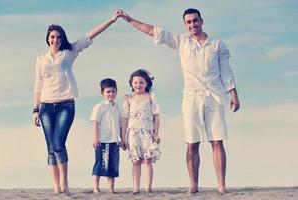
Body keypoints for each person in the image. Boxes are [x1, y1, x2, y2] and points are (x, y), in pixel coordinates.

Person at [120, 8, 240, 194]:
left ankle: (221, 185)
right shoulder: (182, 41)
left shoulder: (217, 45)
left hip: (215, 97)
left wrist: (233, 93)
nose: (192, 25)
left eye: (195, 20)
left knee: (217, 141)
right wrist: (130, 20)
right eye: (189, 22)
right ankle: (193, 185)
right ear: (185, 25)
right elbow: (153, 30)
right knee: (192, 142)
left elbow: (225, 71)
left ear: (202, 21)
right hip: (191, 98)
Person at [32, 10, 123, 195]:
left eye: (58, 37)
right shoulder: (41, 59)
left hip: (66, 104)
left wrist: (111, 21)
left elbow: (90, 35)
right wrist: (35, 109)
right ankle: (56, 187)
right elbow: (38, 85)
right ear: (47, 38)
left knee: (58, 143)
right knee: (50, 147)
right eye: (52, 37)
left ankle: (65, 183)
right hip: (46, 106)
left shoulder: (69, 52)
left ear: (62, 38)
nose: (55, 40)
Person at [121, 69, 161, 194]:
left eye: (141, 82)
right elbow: (124, 118)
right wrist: (123, 137)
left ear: (147, 83)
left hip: (148, 133)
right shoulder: (128, 98)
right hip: (133, 134)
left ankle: (148, 187)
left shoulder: (151, 97)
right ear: (132, 84)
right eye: (136, 82)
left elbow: (156, 116)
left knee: (148, 160)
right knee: (136, 161)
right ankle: (136, 188)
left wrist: (156, 133)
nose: (138, 85)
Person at [89, 78, 122, 194]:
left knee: (113, 166)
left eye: (113, 91)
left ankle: (111, 189)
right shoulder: (99, 106)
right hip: (102, 140)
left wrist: (122, 139)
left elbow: (120, 124)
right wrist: (95, 137)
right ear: (102, 93)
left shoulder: (117, 107)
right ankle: (96, 187)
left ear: (116, 92)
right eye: (108, 91)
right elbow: (95, 122)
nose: (111, 94)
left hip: (115, 141)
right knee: (99, 163)